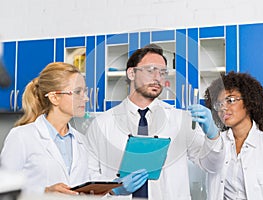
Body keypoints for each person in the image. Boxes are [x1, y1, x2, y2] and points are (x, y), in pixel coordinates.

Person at [86, 44, 225, 199]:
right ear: (131, 73)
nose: (158, 77)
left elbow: (212, 166)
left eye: (163, 72)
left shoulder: (181, 120)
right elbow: (88, 178)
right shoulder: (101, 124)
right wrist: (113, 189)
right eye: (151, 70)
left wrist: (213, 136)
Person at [0, 62, 148, 196]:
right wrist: (45, 191)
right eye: (78, 92)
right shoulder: (22, 136)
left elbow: (91, 186)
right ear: (54, 97)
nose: (86, 98)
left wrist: (114, 189)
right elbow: (4, 188)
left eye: (84, 92)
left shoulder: (81, 140)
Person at [201, 71, 263, 199]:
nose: (223, 108)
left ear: (248, 102)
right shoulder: (216, 144)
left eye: (230, 100)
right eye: (219, 104)